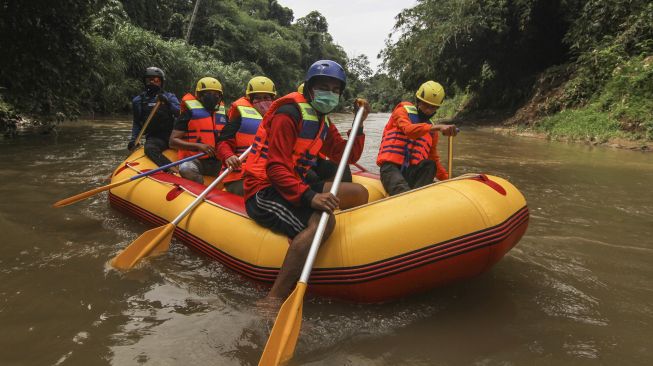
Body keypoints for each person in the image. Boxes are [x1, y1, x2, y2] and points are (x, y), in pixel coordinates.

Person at [243, 60, 371, 302]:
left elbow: (348, 156)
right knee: (324, 222)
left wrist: (359, 124)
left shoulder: (322, 119)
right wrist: (311, 197)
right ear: (310, 88)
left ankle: (351, 249)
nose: (330, 94)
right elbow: (275, 168)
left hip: (294, 182)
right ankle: (273, 298)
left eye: (335, 90)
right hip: (264, 189)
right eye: (324, 87)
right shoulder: (288, 114)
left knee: (358, 192)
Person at [376, 81, 457, 196]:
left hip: (411, 173)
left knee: (430, 165)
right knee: (401, 189)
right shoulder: (402, 110)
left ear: (437, 108)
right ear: (418, 101)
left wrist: (449, 180)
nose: (428, 110)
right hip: (390, 168)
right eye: (425, 105)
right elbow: (408, 130)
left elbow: (434, 159)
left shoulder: (432, 131)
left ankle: (416, 196)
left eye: (432, 107)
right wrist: (438, 127)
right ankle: (408, 196)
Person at [216, 76, 277, 195]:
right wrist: (228, 156)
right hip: (240, 176)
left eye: (266, 98)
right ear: (250, 100)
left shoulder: (278, 121)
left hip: (266, 177)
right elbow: (222, 143)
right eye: (258, 98)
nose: (263, 102)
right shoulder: (238, 120)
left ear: (273, 99)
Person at [169, 77, 227, 184]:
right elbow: (173, 141)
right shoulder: (189, 114)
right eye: (208, 94)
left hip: (218, 162)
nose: (212, 97)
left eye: (216, 95)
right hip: (196, 160)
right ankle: (199, 189)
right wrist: (199, 146)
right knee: (186, 168)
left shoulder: (222, 116)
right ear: (199, 96)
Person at [128, 67, 180, 169]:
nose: (152, 82)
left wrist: (168, 103)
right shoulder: (138, 100)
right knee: (150, 149)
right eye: (149, 80)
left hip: (172, 136)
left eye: (156, 80)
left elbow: (179, 113)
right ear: (145, 81)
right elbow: (137, 123)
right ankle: (170, 169)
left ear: (161, 82)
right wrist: (134, 139)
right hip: (156, 137)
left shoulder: (169, 97)